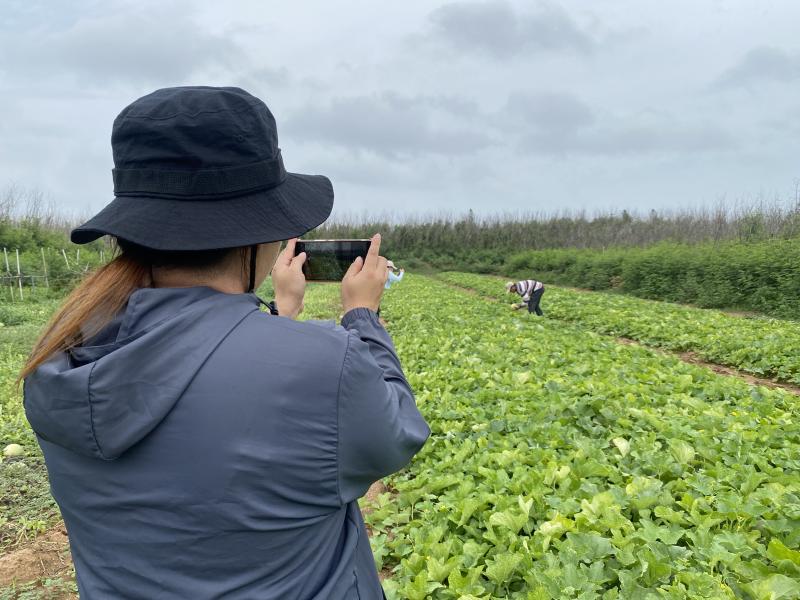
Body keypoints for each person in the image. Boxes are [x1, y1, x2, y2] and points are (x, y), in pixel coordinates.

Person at [20, 87, 430, 600]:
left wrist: (281, 315)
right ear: (261, 235)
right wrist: (362, 316)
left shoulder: (56, 363)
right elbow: (397, 436)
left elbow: (194, 382)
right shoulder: (326, 365)